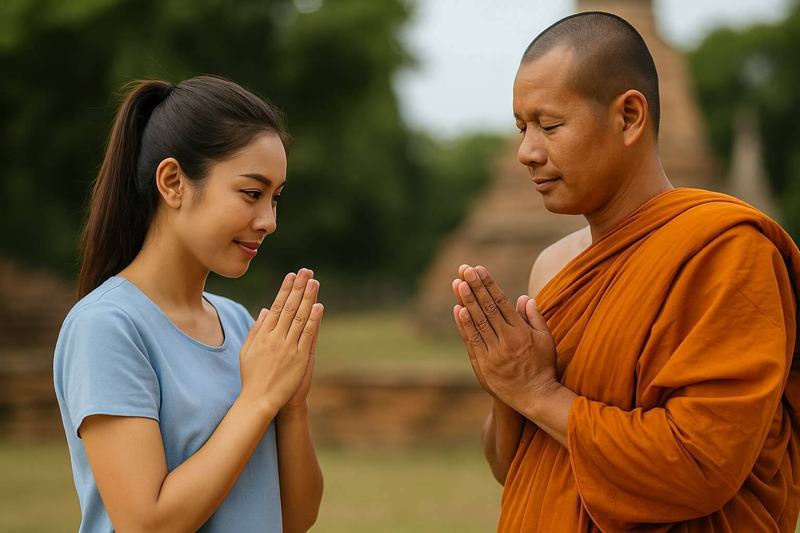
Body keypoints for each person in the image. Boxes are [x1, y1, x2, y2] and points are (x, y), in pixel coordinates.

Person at [451, 11, 800, 532]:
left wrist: (537, 392)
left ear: (630, 117)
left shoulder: (725, 251)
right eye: (522, 128)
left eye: (549, 125)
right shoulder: (553, 267)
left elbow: (699, 466)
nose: (527, 152)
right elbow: (519, 468)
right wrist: (507, 382)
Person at [53, 76, 324, 532]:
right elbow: (146, 524)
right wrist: (258, 399)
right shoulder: (107, 327)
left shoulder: (239, 323)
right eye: (252, 194)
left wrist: (291, 404)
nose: (269, 221)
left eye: (275, 199)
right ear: (174, 182)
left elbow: (295, 519)